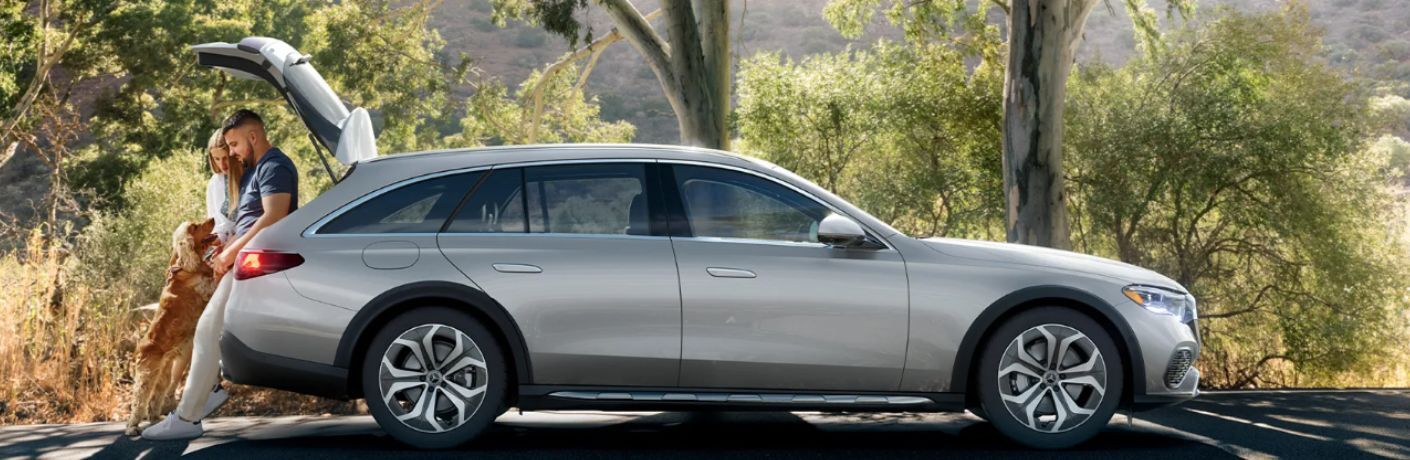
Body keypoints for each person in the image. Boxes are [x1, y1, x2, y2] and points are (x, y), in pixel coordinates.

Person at [142, 109, 299, 440]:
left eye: (235, 143)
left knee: (207, 329)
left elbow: (274, 215)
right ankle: (204, 396)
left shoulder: (275, 166)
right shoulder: (258, 170)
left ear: (253, 137)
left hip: (254, 262)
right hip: (245, 260)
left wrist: (230, 253)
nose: (232, 152)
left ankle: (188, 417)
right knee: (213, 331)